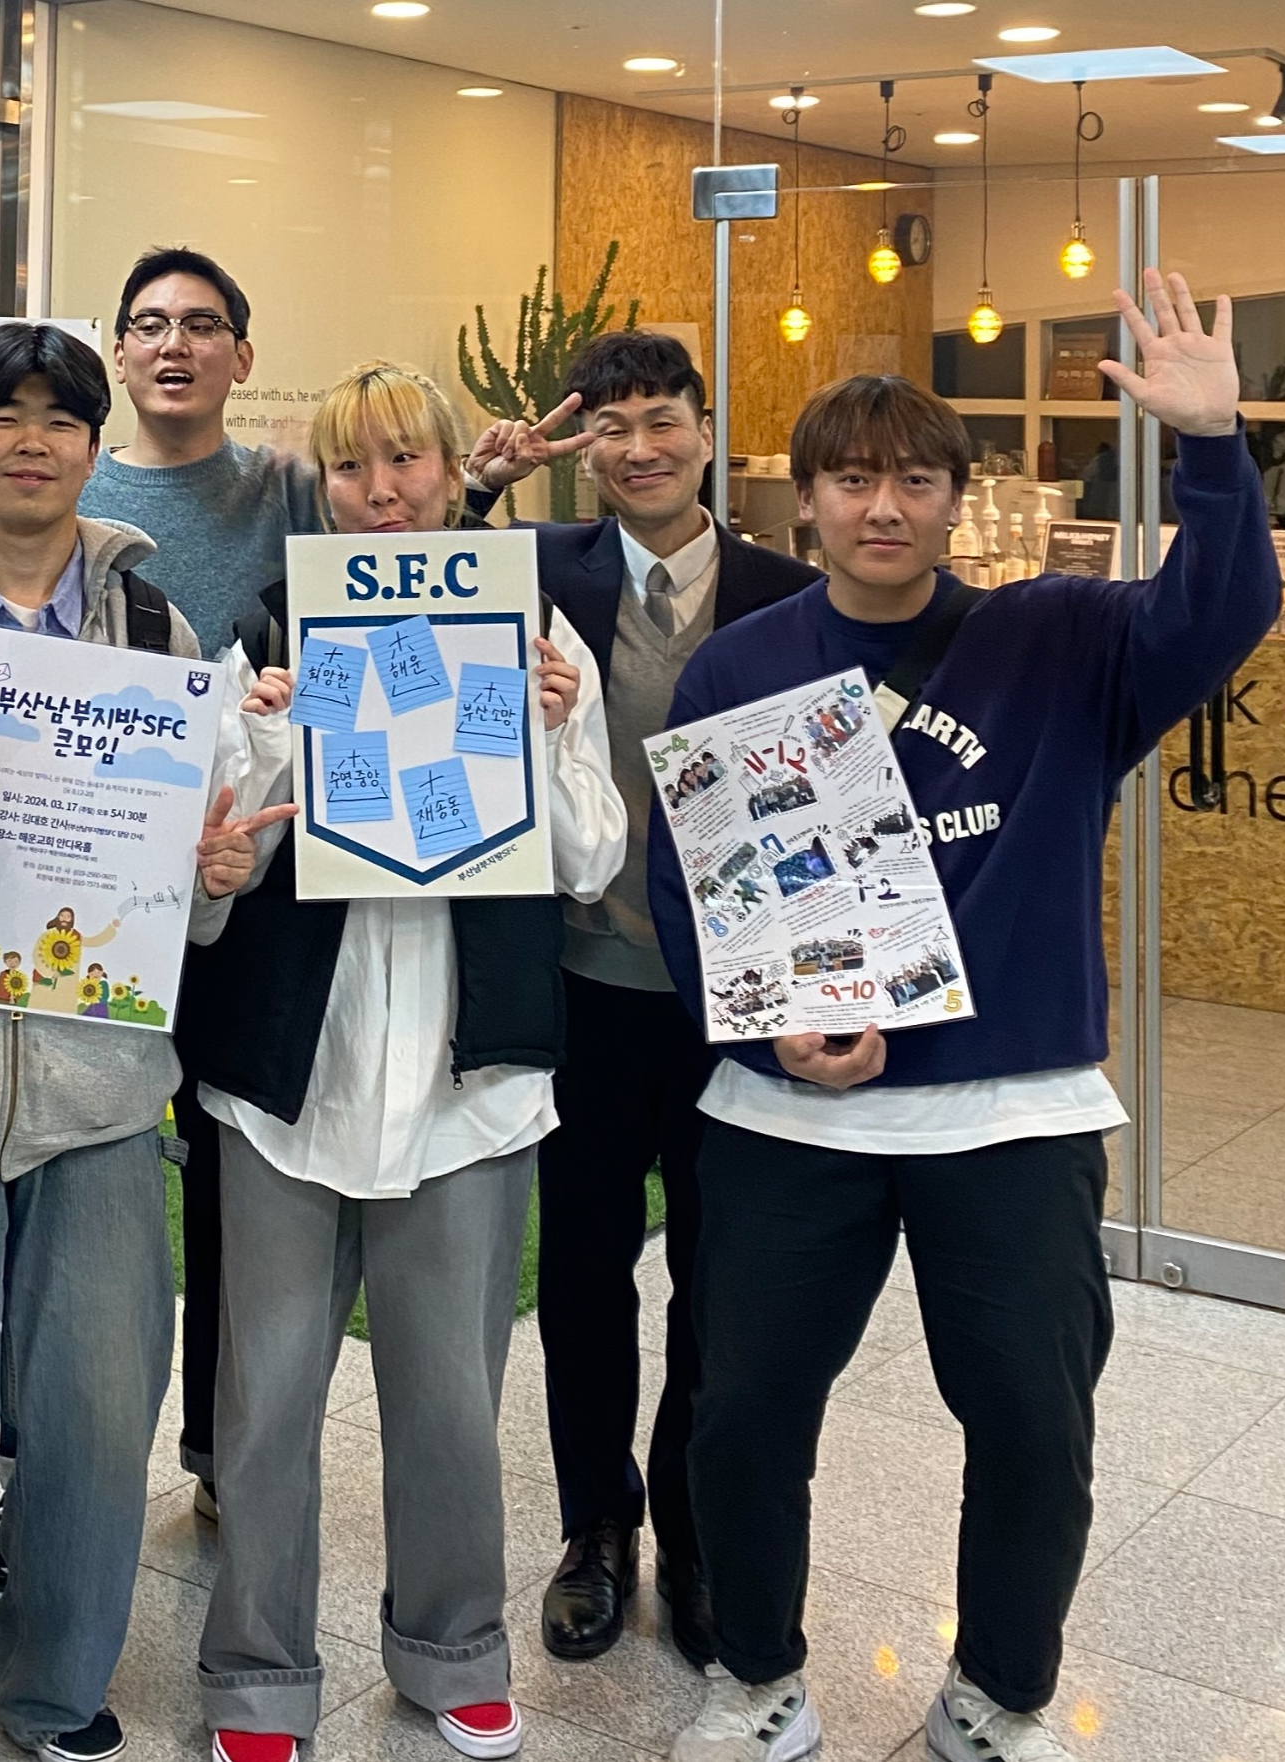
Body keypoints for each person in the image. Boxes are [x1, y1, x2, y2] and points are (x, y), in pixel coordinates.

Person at [647, 273, 1279, 1762]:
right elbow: (694, 879)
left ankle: (996, 1694)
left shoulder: (1062, 640)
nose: (885, 507)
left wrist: (1212, 445)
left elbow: (1223, 608)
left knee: (1036, 1428)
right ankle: (756, 1676)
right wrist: (764, 1031)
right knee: (743, 1415)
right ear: (808, 499)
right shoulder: (741, 665)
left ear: (954, 498)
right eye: (852, 480)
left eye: (916, 481)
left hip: (1011, 1110)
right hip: (790, 1115)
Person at [0, 322, 291, 1762]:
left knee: (94, 1419)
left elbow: (191, 902)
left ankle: (49, 1688)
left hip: (102, 1096)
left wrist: (218, 878)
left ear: (93, 449)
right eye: (1, 417)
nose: (31, 441)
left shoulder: (156, 639)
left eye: (59, 419)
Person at [178, 361, 629, 1762]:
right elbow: (214, 874)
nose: (382, 491)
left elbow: (592, 858)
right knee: (264, 1403)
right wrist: (263, 748)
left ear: (450, 472)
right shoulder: (270, 631)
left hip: (464, 1081)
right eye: (352, 467)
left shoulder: (532, 632)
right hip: (288, 1080)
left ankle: (452, 1649)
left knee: (448, 1397)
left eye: (407, 462)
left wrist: (549, 729)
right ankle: (259, 1673)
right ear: (323, 487)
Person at [73, 245, 548, 1542]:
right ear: (120, 349)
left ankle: (229, 1465)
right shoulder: (81, 491)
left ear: (242, 354)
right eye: (149, 324)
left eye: (201, 324)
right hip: (121, 881)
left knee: (256, 1229)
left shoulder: (287, 490)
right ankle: (68, 1480)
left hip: (297, 925)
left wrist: (479, 501)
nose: (173, 344)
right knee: (126, 1220)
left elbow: (413, 551)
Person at [489, 331, 818, 1669]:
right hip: (583, 986)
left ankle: (690, 1530)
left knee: (717, 1281)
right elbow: (396, 590)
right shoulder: (539, 572)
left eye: (661, 420)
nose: (637, 448)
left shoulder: (789, 593)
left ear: (704, 431)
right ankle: (595, 1530)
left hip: (731, 1004)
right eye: (610, 426)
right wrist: (482, 481)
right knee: (581, 1273)